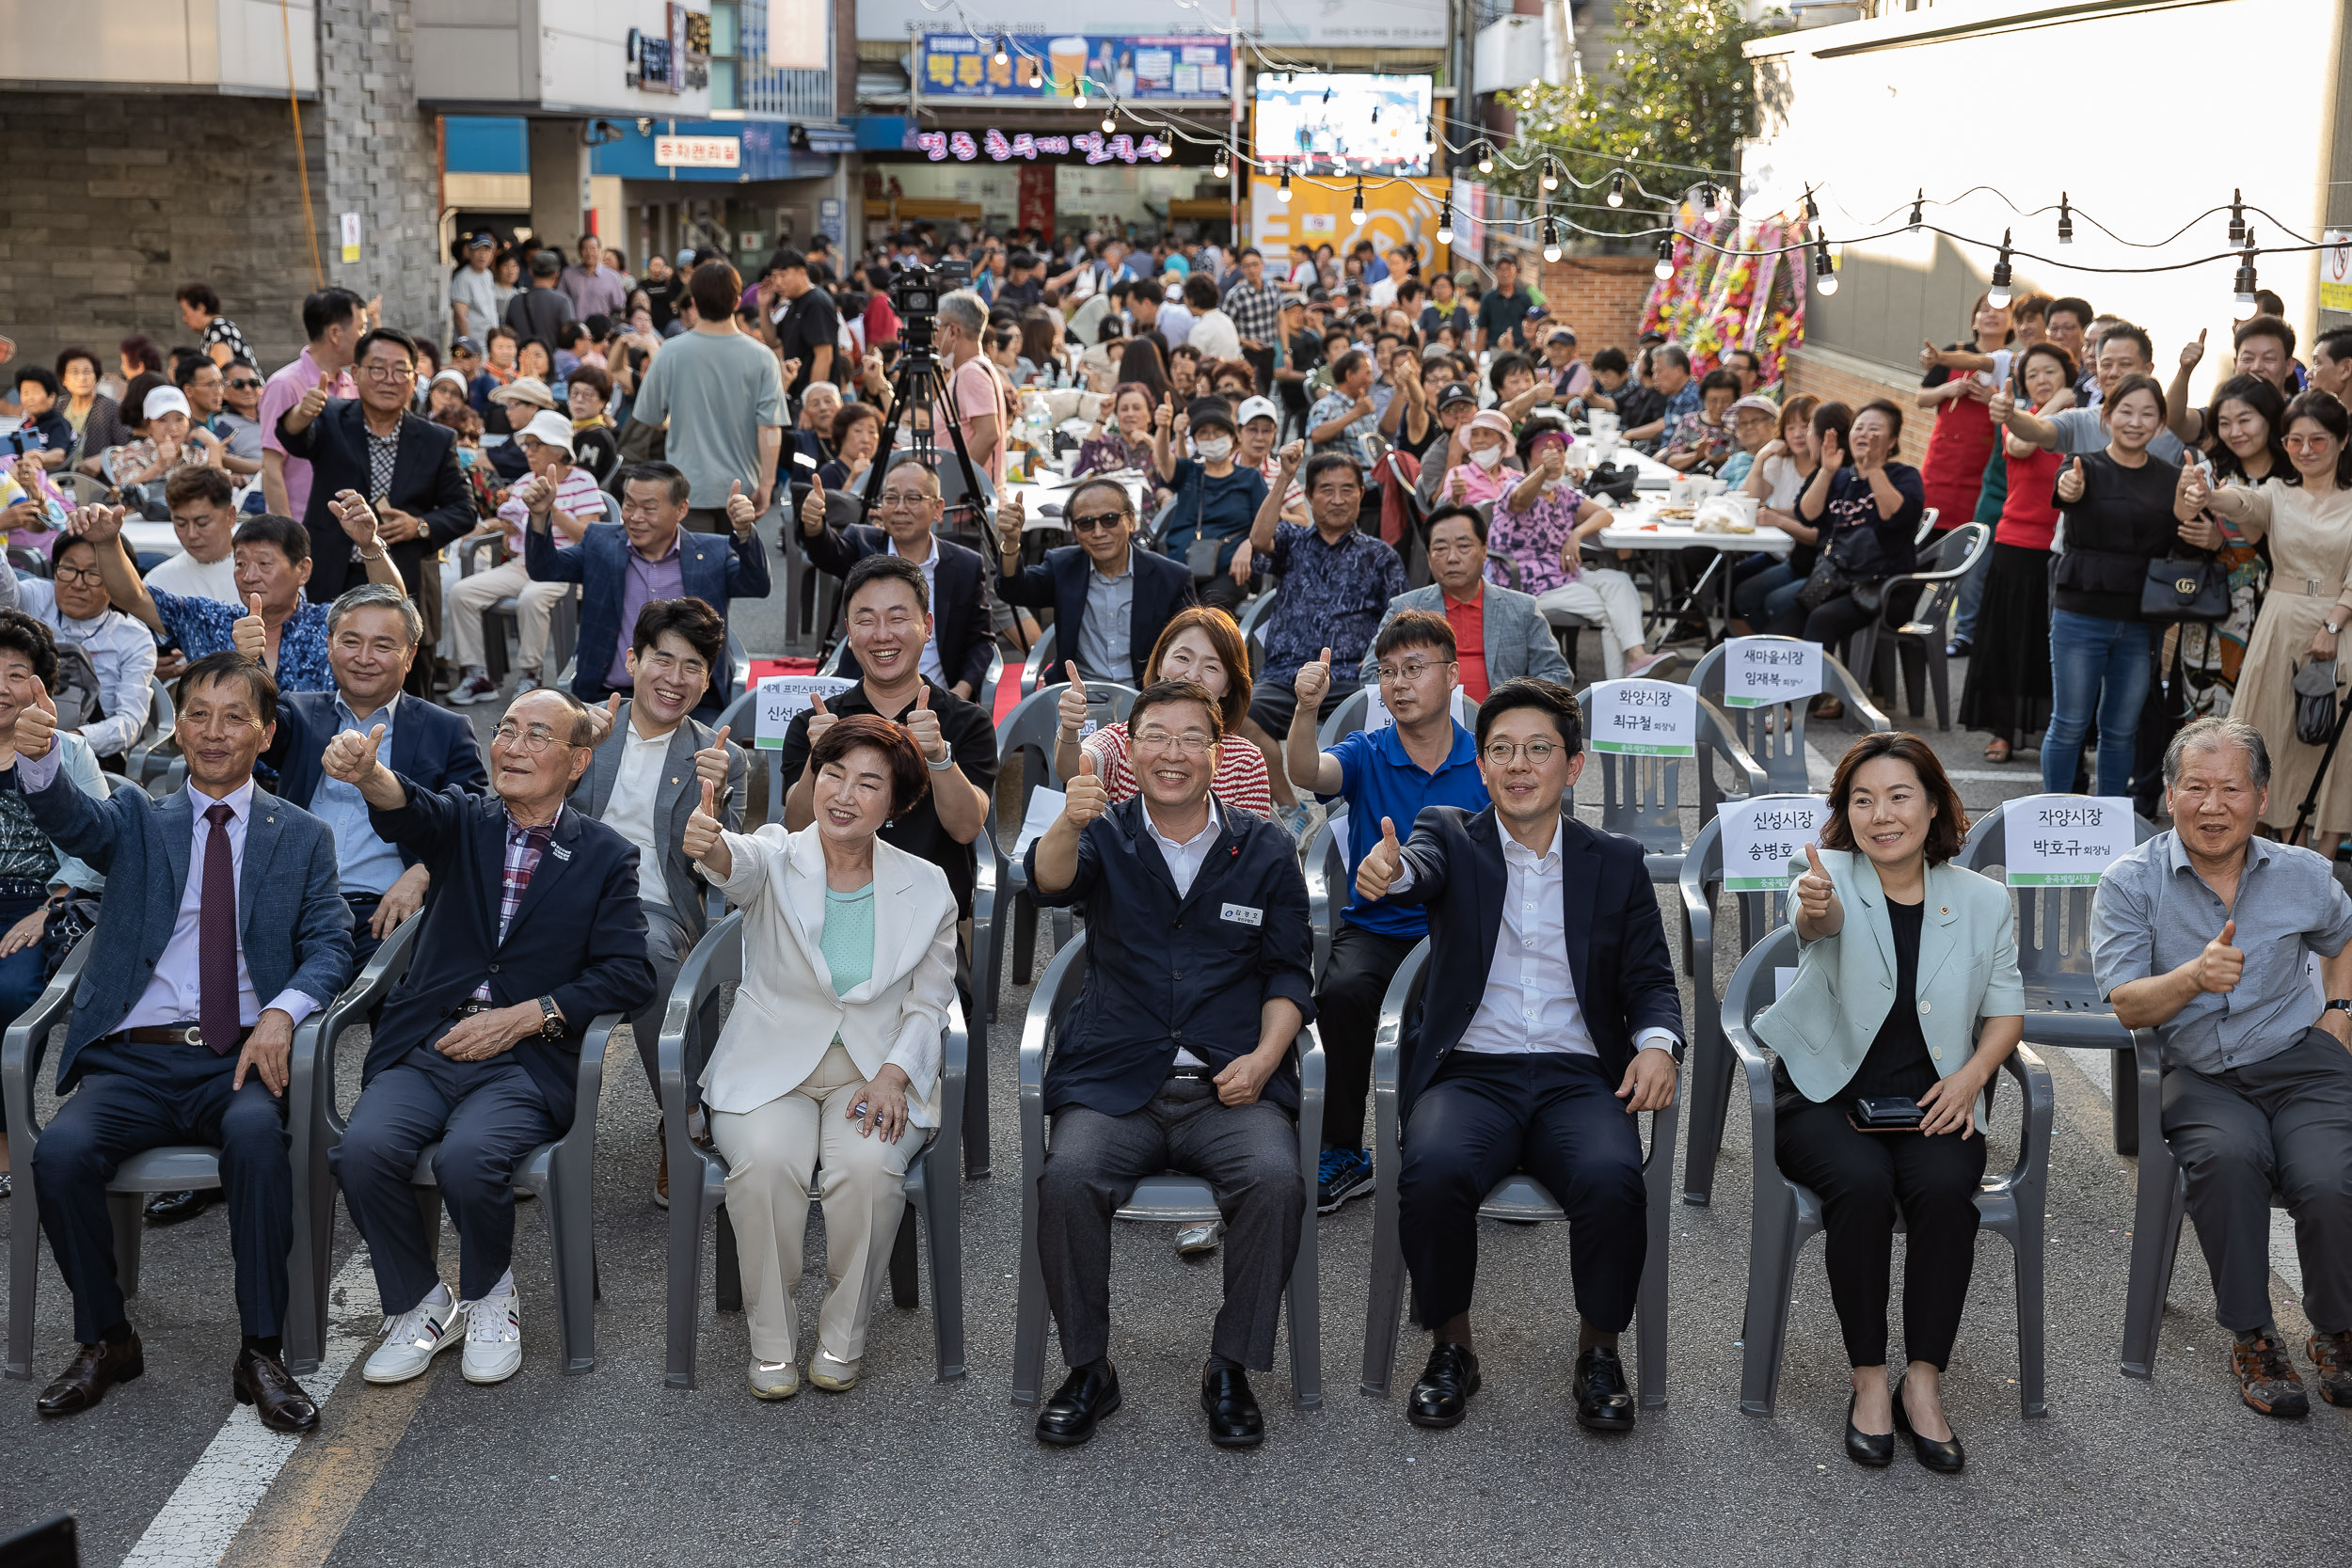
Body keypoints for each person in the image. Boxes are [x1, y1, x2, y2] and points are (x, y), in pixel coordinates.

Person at [14, 652, 351, 1430]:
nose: (213, 731)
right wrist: (40, 760)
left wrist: (283, 1011)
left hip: (232, 1059)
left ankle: (260, 1350)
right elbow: (76, 821)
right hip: (135, 1056)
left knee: (259, 1148)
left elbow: (331, 942)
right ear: (177, 724)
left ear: (265, 734)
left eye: (235, 716)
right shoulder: (139, 816)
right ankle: (108, 1338)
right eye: (197, 713)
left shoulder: (301, 835)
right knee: (60, 1155)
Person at [1351, 677, 1682, 1433]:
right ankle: (1451, 1346)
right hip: (1474, 1071)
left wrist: (1658, 1045)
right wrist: (1392, 872)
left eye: (1538, 749)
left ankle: (1599, 1348)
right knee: (1430, 1170)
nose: (1518, 764)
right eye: (1500, 749)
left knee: (1609, 1176)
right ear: (1482, 763)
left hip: (1578, 1076)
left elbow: (1652, 980)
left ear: (1575, 764)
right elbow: (1416, 868)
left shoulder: (1616, 860)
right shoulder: (1449, 832)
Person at [326, 688, 654, 1388]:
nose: (514, 746)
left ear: (576, 760)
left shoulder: (604, 855)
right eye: (506, 729)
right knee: (361, 1149)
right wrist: (367, 774)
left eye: (539, 735)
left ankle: (490, 1294)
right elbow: (410, 805)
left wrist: (530, 1013)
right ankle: (422, 1302)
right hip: (430, 1042)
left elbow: (631, 971)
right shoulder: (469, 822)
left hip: (524, 1059)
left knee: (471, 1159)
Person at [1025, 677, 1315, 1449]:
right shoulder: (1107, 830)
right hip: (1117, 1078)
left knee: (1277, 1180)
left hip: (1231, 1083)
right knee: (1067, 1178)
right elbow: (1049, 880)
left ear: (1219, 753)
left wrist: (1263, 1058)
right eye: (1156, 735)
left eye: (1192, 737)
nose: (1174, 752)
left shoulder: (1264, 848)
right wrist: (1067, 817)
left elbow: (1291, 974)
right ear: (1132, 746)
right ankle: (1089, 1366)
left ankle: (1231, 1366)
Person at [1752, 734, 2023, 1472]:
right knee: (1863, 1187)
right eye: (1862, 800)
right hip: (1823, 1093)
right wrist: (1814, 908)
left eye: (1899, 796)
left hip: (1935, 1091)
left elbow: (2005, 1016)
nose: (1881, 815)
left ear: (1933, 804)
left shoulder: (1983, 899)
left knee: (1944, 1189)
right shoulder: (1824, 873)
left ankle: (1923, 1380)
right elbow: (1818, 923)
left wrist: (1971, 1078)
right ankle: (1869, 1377)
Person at [683, 713, 955, 1398]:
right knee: (766, 1164)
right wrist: (710, 839)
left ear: (897, 803)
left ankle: (844, 1335)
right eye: (833, 772)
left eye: (869, 783)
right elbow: (732, 864)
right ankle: (771, 1340)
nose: (844, 793)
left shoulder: (927, 886)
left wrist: (898, 1073)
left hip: (874, 1071)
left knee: (866, 1170)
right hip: (771, 1068)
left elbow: (931, 1001)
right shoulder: (778, 853)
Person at [2095, 718, 2352, 1416]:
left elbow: (2344, 934)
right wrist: (2191, 978)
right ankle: (2254, 1334)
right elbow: (2125, 1003)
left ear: (2261, 797)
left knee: (2330, 1173)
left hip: (2301, 1061)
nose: (2214, 806)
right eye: (2197, 788)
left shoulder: (2301, 872)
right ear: (2169, 794)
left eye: (2231, 788)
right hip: (2199, 1070)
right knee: (2230, 1159)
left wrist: (2341, 1010)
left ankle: (2337, 1326)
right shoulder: (2129, 882)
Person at [1285, 610, 1492, 1212]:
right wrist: (1306, 711)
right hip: (1377, 928)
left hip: (1462, 930)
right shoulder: (1368, 751)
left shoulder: (1484, 757)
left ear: (1453, 676)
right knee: (1343, 993)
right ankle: (1344, 1148)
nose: (1398, 684)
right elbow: (1306, 772)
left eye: (1414, 669)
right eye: (1387, 673)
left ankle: (1471, 1141)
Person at [573, 598, 743, 1206]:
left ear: (707, 678)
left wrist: (716, 806)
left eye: (692, 666)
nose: (674, 678)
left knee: (648, 954)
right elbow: (518, 796)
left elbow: (729, 871)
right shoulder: (586, 727)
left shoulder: (719, 756)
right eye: (662, 659)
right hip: (569, 901)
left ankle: (683, 1116)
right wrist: (570, 750)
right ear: (632, 659)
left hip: (656, 911)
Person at [774, 557, 995, 1001]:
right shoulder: (816, 721)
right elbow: (795, 828)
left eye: (898, 618)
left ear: (927, 625)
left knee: (938, 1024)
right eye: (866, 620)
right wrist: (818, 760)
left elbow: (967, 826)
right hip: (824, 913)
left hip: (928, 922)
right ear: (849, 634)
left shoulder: (966, 722)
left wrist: (938, 757)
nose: (882, 635)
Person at [2178, 391, 2352, 854]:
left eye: (2318, 439)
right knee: (2264, 733)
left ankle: (2323, 863)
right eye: (2295, 440)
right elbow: (2246, 505)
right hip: (2278, 621)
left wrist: (2334, 624)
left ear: (2342, 440)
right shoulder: (2278, 491)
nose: (2306, 449)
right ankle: (2257, 857)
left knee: (2333, 744)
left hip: (2341, 625)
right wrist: (2210, 493)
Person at [2038, 375, 2191, 797]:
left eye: (2148, 414)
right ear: (2106, 416)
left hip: (2140, 622)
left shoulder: (2170, 477)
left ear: (2161, 424)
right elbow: (2066, 490)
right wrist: (2067, 488)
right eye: (2125, 411)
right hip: (2079, 616)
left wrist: (2187, 512)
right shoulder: (2082, 465)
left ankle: (2109, 825)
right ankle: (2054, 815)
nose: (2135, 422)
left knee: (2121, 731)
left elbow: (2181, 543)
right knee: (2068, 725)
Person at [524, 461, 771, 720]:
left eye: (649, 508)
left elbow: (757, 584)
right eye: (629, 504)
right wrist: (540, 516)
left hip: (689, 701)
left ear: (681, 509)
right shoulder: (601, 543)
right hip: (611, 696)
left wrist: (743, 533)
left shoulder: (710, 552)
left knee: (702, 757)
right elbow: (545, 569)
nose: (635, 517)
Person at [273, 327, 473, 644]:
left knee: (405, 676)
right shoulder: (331, 417)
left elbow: (464, 509)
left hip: (404, 575)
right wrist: (301, 413)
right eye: (377, 368)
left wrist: (419, 526)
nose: (388, 378)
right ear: (356, 373)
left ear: (413, 378)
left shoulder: (437, 439)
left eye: (400, 370)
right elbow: (294, 440)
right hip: (334, 572)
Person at [1243, 449, 1406, 832]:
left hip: (1352, 676)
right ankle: (1290, 808)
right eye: (1327, 490)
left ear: (1361, 494)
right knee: (1237, 713)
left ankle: (1359, 821)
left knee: (1380, 725)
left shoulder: (1381, 556)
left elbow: (1400, 622)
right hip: (1285, 675)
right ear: (1311, 496)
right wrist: (1284, 477)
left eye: (1347, 489)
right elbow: (1259, 537)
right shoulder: (1292, 541)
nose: (1337, 499)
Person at [72, 504, 400, 696]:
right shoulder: (210, 619)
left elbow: (395, 613)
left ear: (303, 570)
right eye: (240, 563)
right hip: (225, 783)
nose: (249, 575)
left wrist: (370, 546)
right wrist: (107, 542)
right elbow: (133, 596)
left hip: (313, 784)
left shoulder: (330, 624)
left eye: (265, 563)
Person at [1957, 343, 2074, 764]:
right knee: (2008, 643)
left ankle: (2052, 732)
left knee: (2050, 644)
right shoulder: (2013, 416)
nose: (2042, 379)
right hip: (2017, 542)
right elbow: (2023, 447)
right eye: (2034, 374)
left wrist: (2065, 407)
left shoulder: (2083, 424)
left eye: (2052, 371)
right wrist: (2059, 399)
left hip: (2064, 546)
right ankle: (2003, 732)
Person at [447, 410, 606, 706]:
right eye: (527, 445)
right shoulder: (522, 483)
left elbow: (588, 537)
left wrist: (549, 507)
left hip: (564, 566)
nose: (528, 452)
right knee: (461, 592)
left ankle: (531, 675)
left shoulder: (583, 481)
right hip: (524, 563)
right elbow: (514, 541)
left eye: (536, 445)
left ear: (558, 449)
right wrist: (509, 531)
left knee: (531, 598)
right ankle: (479, 675)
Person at [795, 458, 990, 701]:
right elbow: (828, 553)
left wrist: (960, 692)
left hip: (938, 700)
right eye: (891, 498)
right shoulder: (862, 543)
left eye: (912, 498)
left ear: (938, 508)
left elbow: (980, 641)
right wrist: (814, 525)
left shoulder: (965, 565)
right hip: (865, 702)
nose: (900, 508)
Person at [1490, 427, 1664, 680]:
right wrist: (1542, 471)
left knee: (1619, 582)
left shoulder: (1561, 493)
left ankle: (1637, 659)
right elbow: (1518, 500)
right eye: (1545, 450)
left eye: (1559, 450)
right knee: (1612, 612)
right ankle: (1620, 687)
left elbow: (1604, 514)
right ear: (1528, 458)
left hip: (1562, 574)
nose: (1553, 456)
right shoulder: (1514, 484)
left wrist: (1577, 534)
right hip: (1525, 584)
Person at [628, 261, 785, 534]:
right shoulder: (763, 357)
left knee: (692, 573)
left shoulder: (670, 352)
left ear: (695, 303)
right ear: (737, 302)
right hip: (742, 490)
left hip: (686, 490)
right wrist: (768, 483)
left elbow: (651, 417)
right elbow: (769, 427)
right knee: (737, 570)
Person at [994, 477, 1196, 687]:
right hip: (1079, 698)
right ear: (1074, 530)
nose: (1099, 532)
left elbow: (1191, 646)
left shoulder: (1171, 578)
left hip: (1147, 697)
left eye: (1110, 519)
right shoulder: (1063, 566)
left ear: (1131, 521)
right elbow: (1013, 589)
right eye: (1086, 523)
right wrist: (1010, 541)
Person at [1358, 508, 1572, 701]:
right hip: (1425, 731)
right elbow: (1371, 675)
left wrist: (1516, 708)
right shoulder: (1404, 609)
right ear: (1429, 558)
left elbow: (1556, 673)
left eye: (1464, 546)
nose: (1452, 558)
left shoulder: (1522, 608)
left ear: (1484, 551)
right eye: (1440, 548)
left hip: (1502, 732)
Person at [1770, 400, 1924, 652]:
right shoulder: (1840, 476)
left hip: (1884, 588)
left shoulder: (1904, 476)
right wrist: (1827, 471)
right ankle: (1781, 688)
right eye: (1859, 428)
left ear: (1892, 441)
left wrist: (1873, 469)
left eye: (1874, 430)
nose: (1865, 434)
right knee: (1786, 620)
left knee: (1822, 619)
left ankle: (1818, 691)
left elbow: (1894, 516)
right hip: (1836, 580)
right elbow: (1807, 515)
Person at [10, 532, 157, 765]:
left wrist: (72, 740)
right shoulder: (33, 599)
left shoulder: (134, 638)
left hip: (89, 757)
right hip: (14, 745)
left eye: (94, 574)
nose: (78, 584)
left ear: (117, 582)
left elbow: (130, 721)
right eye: (68, 569)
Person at [260, 288, 367, 521]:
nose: (365, 337)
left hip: (347, 526)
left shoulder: (350, 383)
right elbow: (271, 467)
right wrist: (288, 535)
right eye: (361, 328)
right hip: (303, 524)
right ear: (336, 334)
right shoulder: (284, 385)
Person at [1154, 397, 1269, 614]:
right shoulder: (1189, 471)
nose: (1212, 438)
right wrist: (1163, 427)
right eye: (1204, 433)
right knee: (1168, 607)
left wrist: (1249, 545)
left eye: (1218, 431)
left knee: (1212, 609)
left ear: (1232, 435)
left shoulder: (1250, 478)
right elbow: (1164, 464)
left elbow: (1268, 523)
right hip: (1182, 565)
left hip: (1230, 569)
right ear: (1195, 441)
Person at [1915, 293, 2016, 529]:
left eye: (2000, 310)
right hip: (1941, 467)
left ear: (2013, 323)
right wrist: (1946, 389)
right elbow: (1921, 398)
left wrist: (1994, 399)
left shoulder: (2014, 365)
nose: (1991, 314)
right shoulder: (1953, 353)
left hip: (1986, 471)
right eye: (1984, 309)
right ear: (1974, 321)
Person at [927, 289, 1011, 495]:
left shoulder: (971, 372)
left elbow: (988, 434)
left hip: (965, 510)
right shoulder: (974, 369)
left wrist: (956, 489)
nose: (933, 337)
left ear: (954, 331)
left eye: (936, 329)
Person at [151, 467, 244, 610]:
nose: (192, 534)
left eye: (202, 523)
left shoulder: (260, 577)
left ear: (231, 516)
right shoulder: (158, 583)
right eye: (181, 524)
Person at [767, 248, 839, 400]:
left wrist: (812, 402)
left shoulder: (816, 303)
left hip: (811, 401)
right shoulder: (794, 303)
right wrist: (763, 305)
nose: (778, 282)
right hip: (796, 394)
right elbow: (773, 340)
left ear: (802, 272)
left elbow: (824, 356)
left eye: (783, 275)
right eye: (774, 276)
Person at [1661, 371, 1740, 473]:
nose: (1719, 406)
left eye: (1725, 400)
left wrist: (1727, 457)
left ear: (1735, 400)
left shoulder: (1741, 424)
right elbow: (1669, 460)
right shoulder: (1690, 421)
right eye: (1713, 400)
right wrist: (1697, 456)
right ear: (1704, 398)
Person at [1074, 384, 1157, 478]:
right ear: (1117, 415)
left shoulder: (1158, 446)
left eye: (1137, 408)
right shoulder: (1110, 445)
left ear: (1149, 415)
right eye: (1124, 409)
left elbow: (1169, 477)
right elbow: (1085, 465)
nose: (1130, 413)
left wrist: (1151, 443)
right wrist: (1103, 416)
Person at [503, 250, 577, 354]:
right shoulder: (563, 301)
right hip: (553, 365)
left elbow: (507, 335)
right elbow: (571, 338)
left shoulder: (515, 301)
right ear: (556, 274)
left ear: (531, 272)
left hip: (523, 363)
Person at [1625, 347, 1697, 448]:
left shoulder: (1693, 398)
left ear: (1678, 370)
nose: (1655, 377)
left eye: (1659, 371)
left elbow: (1684, 447)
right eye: (1654, 371)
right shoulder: (1673, 396)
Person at [175, 283, 250, 371]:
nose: (184, 319)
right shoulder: (217, 328)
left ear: (200, 308)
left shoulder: (218, 329)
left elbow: (222, 372)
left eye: (185, 312)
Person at [1472, 254, 1536, 356]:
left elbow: (1532, 324)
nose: (1505, 273)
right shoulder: (1488, 298)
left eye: (1508, 269)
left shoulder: (1525, 298)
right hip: (1495, 349)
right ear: (1495, 272)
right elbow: (1482, 328)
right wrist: (1477, 357)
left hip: (1521, 349)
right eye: (1501, 269)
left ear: (1515, 271)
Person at [558, 234, 628, 324]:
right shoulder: (568, 274)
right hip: (577, 329)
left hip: (603, 331)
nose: (589, 253)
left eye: (593, 248)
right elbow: (561, 302)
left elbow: (619, 306)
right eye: (585, 249)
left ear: (599, 251)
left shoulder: (612, 276)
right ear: (579, 251)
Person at [448, 233, 501, 341]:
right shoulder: (463, 278)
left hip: (489, 342)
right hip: (474, 343)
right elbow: (459, 316)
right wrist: (468, 346)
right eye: (478, 250)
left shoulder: (488, 274)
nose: (482, 255)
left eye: (486, 250)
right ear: (469, 252)